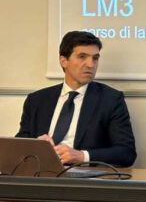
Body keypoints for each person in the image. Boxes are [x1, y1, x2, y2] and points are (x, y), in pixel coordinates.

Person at [16, 30, 137, 167]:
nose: (91, 64)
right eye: (82, 57)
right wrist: (36, 145)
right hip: (40, 172)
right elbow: (18, 145)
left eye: (95, 58)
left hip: (84, 176)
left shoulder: (110, 100)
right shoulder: (37, 100)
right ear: (63, 61)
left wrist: (82, 156)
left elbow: (126, 153)